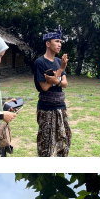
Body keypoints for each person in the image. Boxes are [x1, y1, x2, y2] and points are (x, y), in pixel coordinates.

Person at [34, 25, 71, 157]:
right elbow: (44, 87)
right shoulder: (40, 62)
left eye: (60, 42)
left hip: (61, 107)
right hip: (46, 109)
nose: (59, 44)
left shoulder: (58, 61)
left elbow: (65, 84)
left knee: (64, 139)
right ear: (48, 43)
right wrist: (60, 71)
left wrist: (56, 81)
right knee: (47, 143)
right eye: (57, 41)